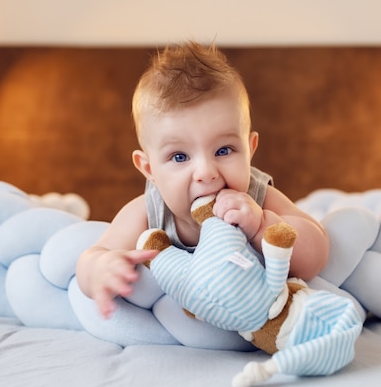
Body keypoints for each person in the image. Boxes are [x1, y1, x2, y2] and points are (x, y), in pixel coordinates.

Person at [76, 41, 329, 320]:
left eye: (223, 150)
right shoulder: (149, 212)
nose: (206, 172)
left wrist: (261, 225)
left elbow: (317, 252)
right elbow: (92, 257)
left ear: (250, 149)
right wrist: (101, 268)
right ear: (149, 169)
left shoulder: (258, 197)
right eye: (180, 156)